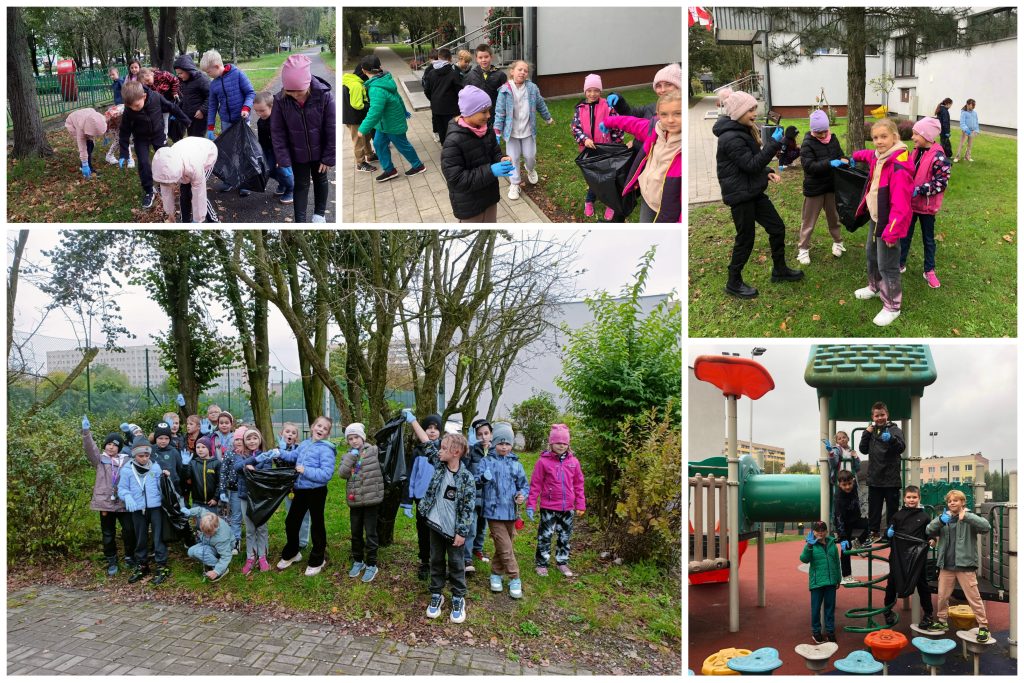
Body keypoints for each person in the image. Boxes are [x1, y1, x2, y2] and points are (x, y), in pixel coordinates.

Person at [714, 89, 804, 299]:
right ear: (737, 112)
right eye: (750, 109)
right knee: (745, 239)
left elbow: (750, 163)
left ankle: (780, 270)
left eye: (754, 108)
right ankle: (733, 281)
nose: (754, 113)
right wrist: (775, 143)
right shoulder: (730, 138)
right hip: (740, 195)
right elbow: (750, 164)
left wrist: (767, 171)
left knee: (777, 227)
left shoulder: (742, 130)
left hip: (752, 191)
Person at [404, 410, 475, 624]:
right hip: (435, 524)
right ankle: (436, 594)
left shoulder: (466, 478)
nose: (439, 450)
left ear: (455, 452)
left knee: (456, 563)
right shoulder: (439, 464)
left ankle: (458, 597)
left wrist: (462, 532)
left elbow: (467, 508)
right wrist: (413, 421)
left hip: (454, 530)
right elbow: (426, 442)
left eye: (444, 448)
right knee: (436, 560)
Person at [851, 119, 914, 327]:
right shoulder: (880, 156)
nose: (878, 142)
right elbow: (869, 155)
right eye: (875, 137)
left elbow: (901, 204)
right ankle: (875, 286)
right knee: (871, 254)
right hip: (877, 217)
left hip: (890, 224)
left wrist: (892, 232)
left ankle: (892, 305)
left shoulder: (898, 165)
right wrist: (852, 156)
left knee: (887, 264)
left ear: (895, 137)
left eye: (883, 137)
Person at [271, 54, 335, 223]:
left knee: (321, 179)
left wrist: (329, 156)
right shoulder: (280, 101)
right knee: (301, 184)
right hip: (297, 153)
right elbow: (277, 131)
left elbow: (332, 128)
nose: (295, 96)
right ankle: (299, 221)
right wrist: (283, 159)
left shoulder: (324, 96)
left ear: (307, 84)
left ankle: (319, 214)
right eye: (290, 92)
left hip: (320, 151)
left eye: (299, 92)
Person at [602, 91, 681, 223]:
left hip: (668, 208)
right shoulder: (655, 129)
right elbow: (631, 122)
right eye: (664, 114)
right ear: (658, 115)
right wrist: (607, 122)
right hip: (647, 195)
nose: (670, 120)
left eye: (678, 113)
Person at [440, 86, 514, 222]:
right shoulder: (453, 142)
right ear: (469, 112)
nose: (489, 115)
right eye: (483, 112)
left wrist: (501, 158)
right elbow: (456, 179)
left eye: (489, 111)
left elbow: (495, 152)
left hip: (489, 197)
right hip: (469, 205)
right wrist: (490, 171)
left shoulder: (487, 130)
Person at [926, 490, 992, 641]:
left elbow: (986, 527)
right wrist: (940, 521)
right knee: (942, 596)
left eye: (956, 500)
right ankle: (942, 621)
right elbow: (928, 529)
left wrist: (967, 517)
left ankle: (983, 626)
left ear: (963, 502)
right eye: (950, 501)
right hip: (946, 565)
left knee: (973, 597)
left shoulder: (969, 517)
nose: (952, 503)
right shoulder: (944, 518)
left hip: (965, 565)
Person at [275, 416, 337, 576]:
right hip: (300, 490)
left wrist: (306, 471)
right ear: (312, 427)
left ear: (328, 433)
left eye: (325, 428)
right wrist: (278, 452)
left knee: (317, 524)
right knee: (291, 521)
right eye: (319, 426)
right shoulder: (304, 444)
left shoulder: (326, 449)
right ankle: (292, 553)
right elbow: (292, 456)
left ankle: (318, 559)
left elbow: (326, 474)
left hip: (317, 491)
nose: (320, 429)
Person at [526, 423, 586, 577]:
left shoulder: (574, 462)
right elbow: (536, 484)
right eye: (558, 443)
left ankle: (562, 561)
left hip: (568, 508)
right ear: (551, 443)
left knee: (564, 536)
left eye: (565, 443)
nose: (561, 446)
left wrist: (580, 504)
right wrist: (531, 505)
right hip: (549, 506)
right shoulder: (543, 462)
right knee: (545, 535)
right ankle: (541, 563)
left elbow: (579, 484)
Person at [118, 81, 188, 210]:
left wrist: (186, 120)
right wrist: (123, 152)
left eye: (136, 105)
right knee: (144, 163)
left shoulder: (156, 97)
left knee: (165, 160)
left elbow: (172, 107)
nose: (134, 108)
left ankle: (166, 183)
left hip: (158, 134)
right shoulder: (129, 109)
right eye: (130, 106)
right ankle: (149, 190)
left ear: (144, 96)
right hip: (141, 138)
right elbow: (124, 131)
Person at [900, 117, 951, 289]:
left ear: (926, 136)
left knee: (928, 239)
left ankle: (929, 270)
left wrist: (919, 189)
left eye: (916, 133)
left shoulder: (940, 158)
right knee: (905, 234)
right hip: (910, 204)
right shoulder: (915, 151)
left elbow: (940, 183)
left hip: (926, 207)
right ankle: (900, 262)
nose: (913, 137)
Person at [357, 55, 425, 183]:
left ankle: (418, 166)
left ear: (363, 70)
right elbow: (398, 97)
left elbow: (375, 111)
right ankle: (389, 170)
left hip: (392, 124)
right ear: (380, 67)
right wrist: (404, 111)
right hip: (383, 125)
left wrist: (363, 128)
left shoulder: (376, 88)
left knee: (403, 145)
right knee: (378, 144)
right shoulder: (384, 78)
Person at [480, 423, 529, 599]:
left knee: (504, 545)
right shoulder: (486, 462)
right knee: (505, 546)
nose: (504, 447)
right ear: (494, 443)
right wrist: (482, 478)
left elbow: (524, 486)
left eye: (507, 444)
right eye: (500, 443)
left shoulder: (516, 465)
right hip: (492, 511)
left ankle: (495, 574)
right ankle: (514, 577)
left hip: (510, 511)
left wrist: (522, 495)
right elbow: (477, 480)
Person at [493, 60, 553, 201]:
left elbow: (540, 104)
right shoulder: (504, 90)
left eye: (525, 71)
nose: (523, 72)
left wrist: (547, 117)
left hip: (527, 131)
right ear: (512, 71)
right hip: (511, 133)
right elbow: (500, 111)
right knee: (512, 159)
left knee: (530, 156)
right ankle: (515, 184)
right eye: (520, 69)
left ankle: (530, 168)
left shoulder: (532, 88)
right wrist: (497, 130)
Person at [82, 417, 135, 576]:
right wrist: (86, 432)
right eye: (109, 444)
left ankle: (129, 557)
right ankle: (111, 560)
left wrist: (130, 434)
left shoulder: (126, 461)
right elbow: (90, 448)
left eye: (115, 445)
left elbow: (139, 447)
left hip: (123, 502)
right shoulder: (100, 460)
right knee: (108, 533)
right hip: (104, 502)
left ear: (120, 448)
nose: (111, 447)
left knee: (129, 530)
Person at [882, 486, 938, 629]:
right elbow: (889, 533)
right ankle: (887, 611)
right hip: (898, 556)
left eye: (914, 497)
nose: (911, 500)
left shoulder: (925, 516)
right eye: (909, 497)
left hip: (917, 558)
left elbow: (929, 533)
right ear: (904, 499)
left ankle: (928, 614)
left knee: (922, 585)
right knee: (892, 583)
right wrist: (888, 534)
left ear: (919, 498)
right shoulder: (897, 516)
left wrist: (932, 539)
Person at [201, 49, 255, 195]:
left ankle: (245, 183)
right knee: (229, 152)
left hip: (242, 120)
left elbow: (250, 92)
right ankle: (230, 180)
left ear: (217, 66)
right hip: (226, 122)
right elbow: (212, 105)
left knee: (244, 151)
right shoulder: (214, 85)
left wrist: (246, 108)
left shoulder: (238, 74)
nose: (208, 75)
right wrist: (210, 127)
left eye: (208, 72)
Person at [797, 109, 848, 265]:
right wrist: (829, 163)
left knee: (834, 217)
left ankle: (838, 242)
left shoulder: (832, 139)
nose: (822, 135)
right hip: (815, 188)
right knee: (808, 221)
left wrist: (846, 160)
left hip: (831, 186)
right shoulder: (807, 143)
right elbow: (809, 166)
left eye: (824, 131)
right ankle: (803, 249)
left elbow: (840, 155)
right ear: (812, 130)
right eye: (818, 132)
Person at [571, 73, 624, 220]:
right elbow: (576, 128)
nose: (592, 94)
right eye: (589, 90)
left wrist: (616, 145)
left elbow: (618, 125)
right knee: (593, 178)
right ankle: (589, 200)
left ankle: (610, 203)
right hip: (588, 150)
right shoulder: (580, 108)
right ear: (585, 92)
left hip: (606, 150)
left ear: (600, 91)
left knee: (607, 178)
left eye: (596, 90)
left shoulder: (608, 106)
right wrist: (584, 139)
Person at [118, 436, 169, 584]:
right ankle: (142, 564)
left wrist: (166, 478)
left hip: (155, 507)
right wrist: (127, 497)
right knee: (140, 536)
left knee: (158, 536)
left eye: (147, 455)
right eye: (141, 456)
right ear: (134, 455)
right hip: (138, 508)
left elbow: (162, 487)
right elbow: (122, 489)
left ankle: (161, 565)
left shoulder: (155, 467)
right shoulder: (127, 469)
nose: (144, 458)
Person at [400, 413, 444, 580]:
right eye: (428, 428)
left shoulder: (443, 451)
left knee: (438, 532)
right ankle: (425, 561)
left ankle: (438, 562)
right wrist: (407, 501)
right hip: (422, 499)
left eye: (435, 428)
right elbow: (410, 477)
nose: (432, 431)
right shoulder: (418, 452)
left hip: (439, 500)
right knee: (423, 531)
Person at [338, 423, 384, 583]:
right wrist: (351, 457)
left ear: (362, 437)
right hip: (356, 501)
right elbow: (342, 474)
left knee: (371, 533)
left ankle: (372, 564)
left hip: (372, 500)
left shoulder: (373, 451)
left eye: (356, 437)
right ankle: (358, 561)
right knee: (356, 533)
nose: (354, 441)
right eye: (350, 438)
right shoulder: (347, 456)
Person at [858, 401, 906, 544]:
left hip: (891, 478)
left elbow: (901, 447)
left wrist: (891, 439)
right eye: (877, 415)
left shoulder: (894, 430)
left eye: (882, 415)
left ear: (887, 415)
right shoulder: (871, 432)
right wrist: (866, 433)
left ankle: (891, 533)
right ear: (873, 416)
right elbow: (863, 449)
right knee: (874, 509)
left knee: (892, 508)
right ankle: (873, 532)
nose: (880, 418)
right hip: (875, 477)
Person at [151, 136, 219, 223]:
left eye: (171, 183)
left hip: (207, 153)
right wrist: (170, 214)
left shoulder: (195, 167)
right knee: (184, 193)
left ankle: (214, 220)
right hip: (187, 151)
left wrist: (198, 220)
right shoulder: (164, 167)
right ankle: (185, 221)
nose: (171, 185)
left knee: (192, 192)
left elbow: (199, 195)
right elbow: (166, 192)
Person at [236, 427, 274, 575]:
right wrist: (252, 460)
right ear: (244, 442)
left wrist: (253, 468)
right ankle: (250, 557)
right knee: (250, 528)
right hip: (245, 497)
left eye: (255, 438)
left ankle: (263, 556)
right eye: (248, 439)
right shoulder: (240, 455)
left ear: (260, 440)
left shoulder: (266, 456)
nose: (252, 441)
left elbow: (266, 473)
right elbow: (238, 467)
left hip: (261, 498)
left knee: (262, 527)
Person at [800, 520, 844, 644]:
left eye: (822, 530)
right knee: (816, 608)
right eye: (817, 531)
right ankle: (816, 632)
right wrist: (809, 546)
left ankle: (830, 632)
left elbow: (836, 562)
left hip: (830, 582)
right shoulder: (811, 544)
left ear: (826, 531)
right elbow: (804, 559)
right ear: (813, 532)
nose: (820, 533)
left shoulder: (832, 543)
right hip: (817, 582)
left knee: (830, 608)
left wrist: (838, 578)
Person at [252, 92, 294, 205]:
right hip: (268, 150)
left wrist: (283, 156)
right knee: (268, 170)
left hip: (281, 151)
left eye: (262, 110)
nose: (259, 113)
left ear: (272, 106)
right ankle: (283, 184)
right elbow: (261, 139)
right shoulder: (260, 122)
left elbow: (288, 138)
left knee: (284, 171)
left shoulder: (280, 120)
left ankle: (290, 189)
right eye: (256, 111)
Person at [275, 423, 310, 551]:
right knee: (291, 514)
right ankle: (293, 540)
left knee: (304, 514)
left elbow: (299, 463)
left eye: (293, 433)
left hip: (301, 486)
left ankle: (303, 541)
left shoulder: (300, 449)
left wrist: (290, 452)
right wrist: (282, 451)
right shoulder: (278, 450)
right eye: (287, 431)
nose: (290, 434)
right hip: (287, 488)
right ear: (282, 433)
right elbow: (280, 465)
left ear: (296, 437)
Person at [606, 63, 681, 120]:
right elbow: (630, 114)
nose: (663, 90)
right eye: (658, 86)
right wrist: (619, 101)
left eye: (668, 84)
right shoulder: (651, 108)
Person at [467, 418, 494, 567]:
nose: (483, 437)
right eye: (479, 434)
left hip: (488, 496)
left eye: (486, 433)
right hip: (473, 495)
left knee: (482, 526)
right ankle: (467, 556)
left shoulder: (496, 451)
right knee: (471, 527)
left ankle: (478, 549)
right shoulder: (471, 451)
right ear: (475, 435)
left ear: (491, 434)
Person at [833, 470, 868, 584]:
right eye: (844, 485)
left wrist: (855, 459)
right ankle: (846, 576)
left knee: (871, 525)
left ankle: (858, 543)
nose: (847, 487)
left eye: (849, 484)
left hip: (855, 519)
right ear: (839, 484)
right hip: (844, 523)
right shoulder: (839, 498)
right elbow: (839, 518)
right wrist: (842, 537)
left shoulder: (854, 487)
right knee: (845, 549)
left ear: (853, 481)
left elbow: (856, 471)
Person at [342, 60, 377, 173]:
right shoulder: (356, 85)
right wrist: (370, 105)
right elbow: (357, 105)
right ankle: (360, 163)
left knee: (366, 136)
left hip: (355, 116)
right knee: (358, 141)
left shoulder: (350, 79)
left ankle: (370, 155)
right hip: (354, 118)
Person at [423, 48, 463, 145]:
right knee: (453, 132)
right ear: (450, 59)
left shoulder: (431, 73)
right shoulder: (454, 73)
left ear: (439, 58)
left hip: (436, 108)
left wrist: (433, 100)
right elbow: (460, 92)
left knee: (442, 133)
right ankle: (453, 151)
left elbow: (427, 90)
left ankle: (445, 151)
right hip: (452, 109)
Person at [182, 507, 233, 582]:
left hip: (221, 547)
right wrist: (189, 512)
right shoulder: (208, 518)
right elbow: (200, 510)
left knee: (198, 552)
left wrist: (217, 571)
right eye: (203, 531)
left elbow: (226, 556)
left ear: (215, 529)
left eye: (207, 533)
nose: (205, 534)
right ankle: (211, 561)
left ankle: (221, 569)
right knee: (191, 551)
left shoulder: (222, 538)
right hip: (209, 542)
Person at [464, 44, 508, 126]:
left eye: (486, 57)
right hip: (476, 114)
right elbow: (466, 96)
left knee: (493, 136)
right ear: (476, 59)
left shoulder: (500, 75)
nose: (483, 60)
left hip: (494, 114)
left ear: (491, 57)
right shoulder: (470, 76)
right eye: (480, 58)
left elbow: (505, 96)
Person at [218, 425, 245, 555]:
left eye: (241, 439)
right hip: (233, 490)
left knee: (245, 515)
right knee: (235, 516)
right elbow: (223, 472)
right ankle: (236, 541)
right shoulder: (229, 453)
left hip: (247, 490)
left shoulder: (248, 455)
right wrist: (222, 490)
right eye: (236, 439)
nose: (238, 442)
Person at [173, 54, 211, 139]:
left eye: (181, 73)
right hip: (188, 116)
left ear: (188, 70)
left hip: (199, 118)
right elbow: (185, 96)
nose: (179, 76)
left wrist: (202, 110)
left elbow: (211, 96)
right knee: (191, 137)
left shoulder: (202, 79)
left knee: (198, 140)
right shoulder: (183, 80)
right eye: (177, 74)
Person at [64, 108, 108, 180]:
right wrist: (85, 164)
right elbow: (82, 148)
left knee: (91, 145)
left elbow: (101, 126)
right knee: (87, 148)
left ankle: (85, 164)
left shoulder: (98, 118)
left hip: (82, 117)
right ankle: (86, 167)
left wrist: (105, 136)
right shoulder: (80, 130)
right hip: (72, 124)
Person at [139, 67, 182, 138]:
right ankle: (157, 135)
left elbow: (175, 80)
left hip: (167, 100)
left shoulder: (163, 74)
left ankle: (165, 137)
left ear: (150, 74)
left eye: (147, 80)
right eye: (145, 82)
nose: (147, 83)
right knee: (158, 120)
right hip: (157, 104)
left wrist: (174, 92)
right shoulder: (147, 84)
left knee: (165, 119)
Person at [186, 435, 221, 515]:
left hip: (211, 503)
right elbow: (186, 478)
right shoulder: (193, 463)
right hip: (197, 502)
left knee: (210, 525)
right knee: (198, 525)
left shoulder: (216, 463)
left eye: (203, 447)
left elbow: (220, 483)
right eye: (198, 447)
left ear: (209, 448)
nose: (200, 450)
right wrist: (185, 466)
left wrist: (215, 498)